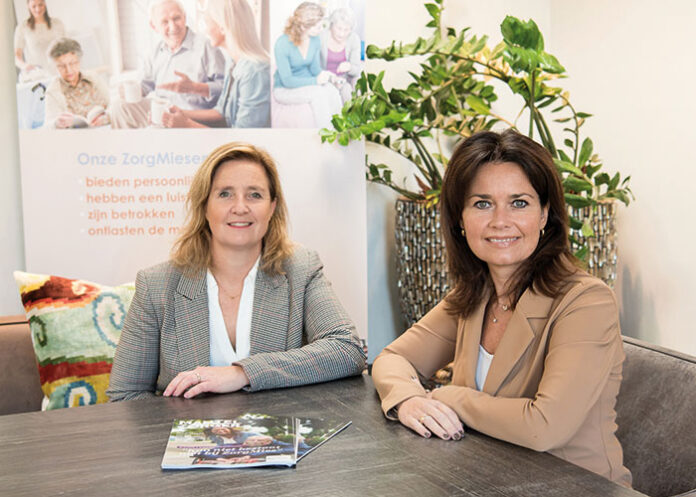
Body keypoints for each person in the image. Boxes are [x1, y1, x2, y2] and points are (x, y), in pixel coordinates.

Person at [371, 129, 632, 487]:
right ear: (460, 219)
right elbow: (392, 358)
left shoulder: (586, 302)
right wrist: (409, 400)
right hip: (484, 481)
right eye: (482, 203)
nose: (500, 221)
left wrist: (449, 397)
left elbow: (544, 427)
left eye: (519, 203)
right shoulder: (475, 295)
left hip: (575, 489)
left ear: (545, 214)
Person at [107, 142, 366, 401]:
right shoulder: (156, 285)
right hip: (184, 426)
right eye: (225, 194)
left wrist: (243, 373)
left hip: (278, 423)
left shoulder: (301, 268)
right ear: (204, 205)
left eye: (254, 195)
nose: (240, 207)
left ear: (272, 207)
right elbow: (125, 395)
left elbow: (347, 349)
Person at [110, 0, 225, 128]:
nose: (173, 26)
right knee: (119, 106)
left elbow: (225, 89)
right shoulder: (154, 52)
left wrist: (195, 87)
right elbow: (145, 85)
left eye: (176, 18)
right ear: (154, 26)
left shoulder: (206, 46)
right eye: (165, 22)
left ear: (185, 17)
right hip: (163, 113)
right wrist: (129, 91)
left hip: (194, 118)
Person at [162, 0, 270, 128]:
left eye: (208, 22)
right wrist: (181, 113)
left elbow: (243, 136)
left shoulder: (254, 72)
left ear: (222, 27)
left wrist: (186, 124)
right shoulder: (232, 61)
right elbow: (221, 111)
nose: (206, 30)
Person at [273, 1, 342, 128]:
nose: (321, 30)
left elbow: (315, 69)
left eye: (322, 25)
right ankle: (327, 134)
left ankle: (340, 130)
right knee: (318, 94)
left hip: (307, 81)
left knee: (332, 90)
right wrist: (316, 81)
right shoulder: (282, 44)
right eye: (317, 27)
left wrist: (329, 77)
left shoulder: (315, 40)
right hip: (284, 89)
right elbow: (287, 81)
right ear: (303, 26)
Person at [43, 38, 110, 128]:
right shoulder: (53, 91)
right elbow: (48, 126)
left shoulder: (93, 78)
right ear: (54, 67)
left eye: (72, 63)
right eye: (61, 66)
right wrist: (57, 123)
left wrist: (107, 117)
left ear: (79, 61)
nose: (68, 70)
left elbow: (111, 103)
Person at [14, 0, 65, 81]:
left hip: (59, 72)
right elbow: (17, 56)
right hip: (38, 75)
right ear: (28, 6)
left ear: (45, 4)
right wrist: (25, 66)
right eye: (34, 6)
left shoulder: (57, 23)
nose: (37, 9)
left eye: (40, 5)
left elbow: (66, 49)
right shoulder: (23, 27)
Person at [319, 8, 362, 103]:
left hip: (344, 79)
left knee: (350, 88)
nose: (342, 34)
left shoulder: (354, 39)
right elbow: (314, 67)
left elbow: (357, 69)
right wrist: (331, 79)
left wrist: (349, 67)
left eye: (346, 30)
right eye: (339, 28)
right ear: (332, 25)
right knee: (340, 91)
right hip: (325, 79)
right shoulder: (321, 37)